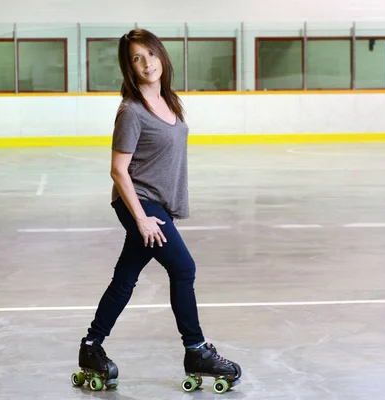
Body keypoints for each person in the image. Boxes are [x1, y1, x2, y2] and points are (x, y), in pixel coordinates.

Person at [76, 29, 242, 392]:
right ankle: (195, 349)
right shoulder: (131, 111)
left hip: (158, 206)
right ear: (129, 67)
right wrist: (141, 218)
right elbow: (119, 170)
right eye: (136, 58)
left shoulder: (170, 100)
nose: (146, 63)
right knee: (184, 268)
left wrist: (170, 207)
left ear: (161, 56)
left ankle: (91, 347)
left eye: (150, 54)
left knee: (125, 277)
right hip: (139, 202)